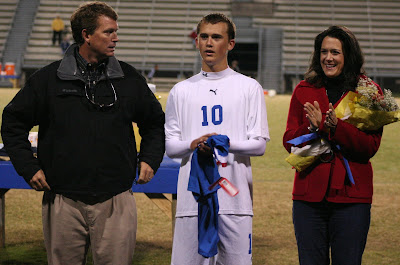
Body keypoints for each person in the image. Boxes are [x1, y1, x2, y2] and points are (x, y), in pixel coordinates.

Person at [1, 2, 165, 264]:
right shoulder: (48, 79)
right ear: (86, 35)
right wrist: (27, 167)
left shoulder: (129, 79)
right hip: (62, 199)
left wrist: (150, 157)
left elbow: (154, 123)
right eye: (108, 32)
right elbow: (12, 123)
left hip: (116, 199)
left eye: (116, 31)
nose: (116, 37)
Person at [165, 13, 270, 265]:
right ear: (197, 41)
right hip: (193, 202)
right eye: (204, 37)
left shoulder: (249, 87)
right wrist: (193, 144)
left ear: (230, 44)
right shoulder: (181, 90)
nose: (209, 42)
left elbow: (259, 144)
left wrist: (222, 142)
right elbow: (170, 147)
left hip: (235, 201)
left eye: (216, 37)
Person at [283, 25, 383, 265]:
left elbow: (369, 147)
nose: (328, 58)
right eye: (324, 51)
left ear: (348, 55)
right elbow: (289, 141)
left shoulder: (367, 92)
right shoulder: (304, 89)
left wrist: (332, 127)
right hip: (308, 198)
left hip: (352, 197)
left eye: (335, 52)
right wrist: (310, 127)